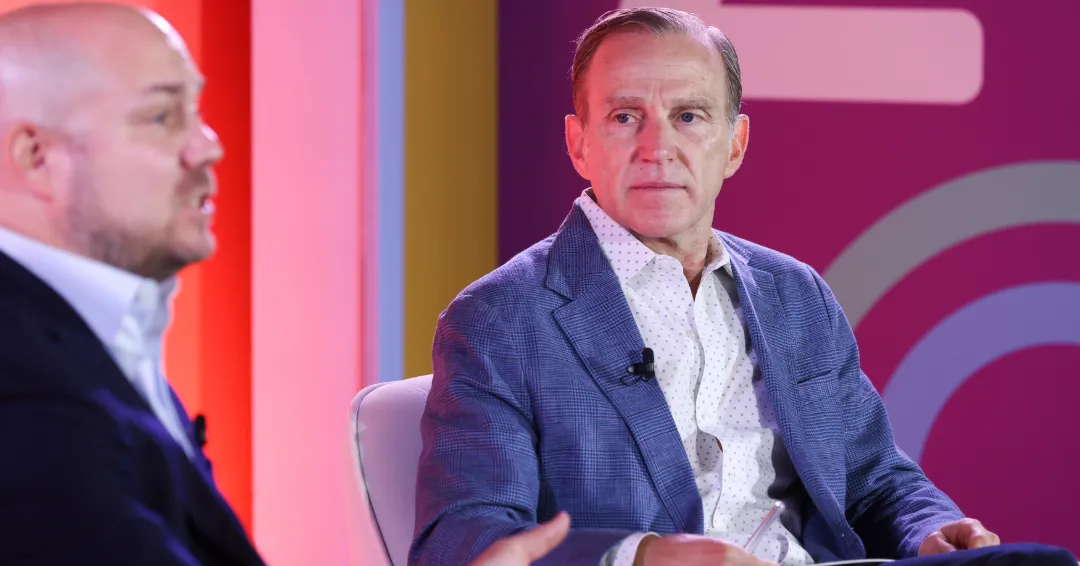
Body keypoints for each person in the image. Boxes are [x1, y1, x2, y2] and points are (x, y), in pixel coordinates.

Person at [409, 7, 1076, 566]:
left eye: (690, 117)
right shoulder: (497, 320)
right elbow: (461, 539)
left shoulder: (797, 296)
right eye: (624, 117)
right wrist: (640, 556)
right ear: (578, 143)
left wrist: (927, 527)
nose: (656, 148)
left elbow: (875, 479)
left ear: (735, 144)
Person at [0, 3, 264, 564]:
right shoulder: (22, 382)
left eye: (196, 110)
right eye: (163, 116)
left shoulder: (93, 331)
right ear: (36, 156)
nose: (208, 146)